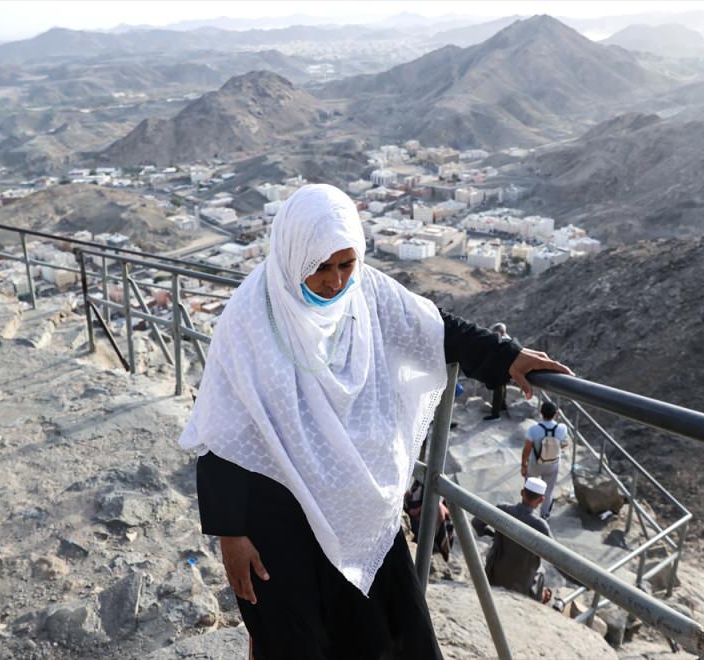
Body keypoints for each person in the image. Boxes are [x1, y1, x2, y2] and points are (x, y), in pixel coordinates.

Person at [179, 184, 573, 659]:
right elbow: (223, 430)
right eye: (320, 267)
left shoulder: (368, 292)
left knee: (384, 634)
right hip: (278, 517)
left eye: (346, 264)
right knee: (293, 641)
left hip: (358, 511)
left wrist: (505, 356)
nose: (336, 281)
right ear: (291, 254)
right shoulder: (249, 319)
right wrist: (230, 534)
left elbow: (433, 327)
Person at [471, 477, 554, 602]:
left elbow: (476, 523)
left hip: (494, 574)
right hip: (522, 583)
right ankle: (540, 597)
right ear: (541, 500)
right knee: (541, 571)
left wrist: (494, 535)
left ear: (522, 493)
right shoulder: (540, 526)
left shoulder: (502, 509)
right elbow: (556, 556)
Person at [521, 401, 568, 520]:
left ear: (541, 413)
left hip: (535, 464)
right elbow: (563, 444)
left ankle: (526, 510)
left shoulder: (533, 429)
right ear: (556, 414)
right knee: (548, 491)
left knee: (529, 488)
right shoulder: (562, 428)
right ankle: (544, 515)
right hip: (552, 464)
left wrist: (523, 465)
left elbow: (527, 449)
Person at [483, 322, 511, 421]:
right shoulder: (508, 339)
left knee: (498, 390)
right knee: (503, 388)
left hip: (501, 370)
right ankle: (502, 406)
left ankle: (495, 414)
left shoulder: (503, 341)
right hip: (506, 369)